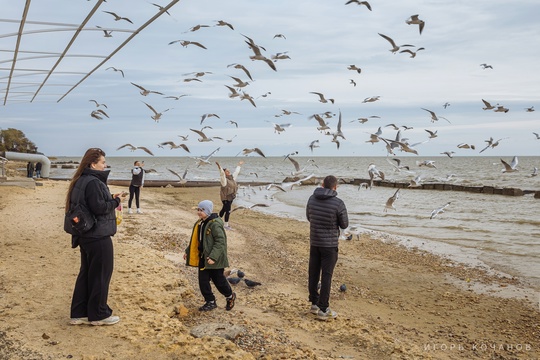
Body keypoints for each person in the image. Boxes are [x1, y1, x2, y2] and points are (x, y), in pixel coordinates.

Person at [65, 147, 127, 326]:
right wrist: (116, 201)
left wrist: (109, 197)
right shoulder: (93, 182)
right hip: (97, 235)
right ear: (93, 164)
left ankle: (79, 313)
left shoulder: (81, 179)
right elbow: (99, 208)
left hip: (85, 234)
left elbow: (92, 202)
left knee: (87, 273)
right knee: (101, 274)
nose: (105, 165)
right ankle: (98, 314)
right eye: (102, 162)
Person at [306, 175, 348, 321]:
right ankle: (323, 309)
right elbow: (344, 224)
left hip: (315, 241)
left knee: (313, 272)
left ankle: (314, 303)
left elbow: (309, 217)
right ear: (335, 187)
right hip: (329, 245)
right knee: (326, 276)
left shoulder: (312, 198)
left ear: (323, 185)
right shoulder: (338, 203)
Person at [184, 200, 236, 312]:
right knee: (202, 280)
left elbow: (220, 242)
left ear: (207, 211)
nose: (199, 212)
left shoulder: (215, 224)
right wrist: (188, 251)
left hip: (214, 259)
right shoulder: (201, 223)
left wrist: (213, 257)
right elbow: (196, 240)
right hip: (203, 257)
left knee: (219, 281)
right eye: (198, 209)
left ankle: (230, 296)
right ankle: (210, 301)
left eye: (201, 210)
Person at [216, 160, 243, 230]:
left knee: (224, 209)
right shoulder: (224, 180)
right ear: (225, 173)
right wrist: (219, 167)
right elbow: (222, 174)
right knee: (228, 211)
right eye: (227, 171)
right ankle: (226, 225)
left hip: (231, 198)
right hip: (225, 198)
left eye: (229, 171)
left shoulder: (232, 178)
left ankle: (217, 220)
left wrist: (239, 165)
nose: (229, 172)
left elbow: (236, 172)